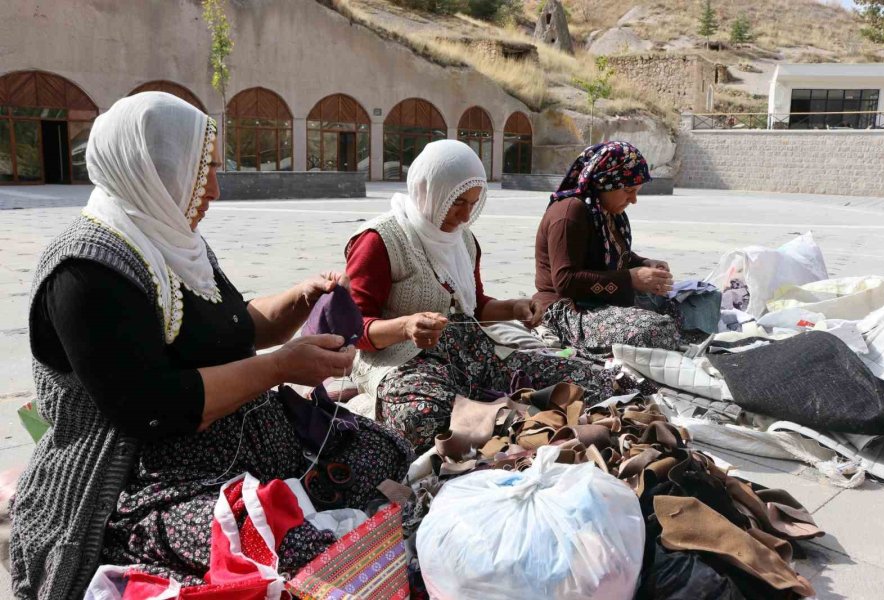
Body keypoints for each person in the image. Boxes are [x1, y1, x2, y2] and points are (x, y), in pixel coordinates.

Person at [10, 92, 412, 599]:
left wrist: (298, 299)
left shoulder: (173, 240)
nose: (215, 190)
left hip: (238, 441)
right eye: (204, 172)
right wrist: (278, 368)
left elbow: (230, 326)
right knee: (286, 549)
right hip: (145, 476)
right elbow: (155, 409)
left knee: (384, 452)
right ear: (155, 170)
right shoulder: (86, 273)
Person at [345, 139, 646, 453]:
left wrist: (515, 308)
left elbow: (474, 306)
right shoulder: (380, 240)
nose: (465, 216)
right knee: (425, 420)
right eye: (457, 202)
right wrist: (405, 327)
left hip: (473, 356)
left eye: (472, 204)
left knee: (589, 380)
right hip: (405, 363)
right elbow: (352, 329)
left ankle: (487, 411)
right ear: (428, 190)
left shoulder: (463, 240)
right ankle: (381, 403)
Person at [533, 141, 683, 356]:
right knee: (656, 330)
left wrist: (644, 264)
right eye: (628, 191)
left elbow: (609, 253)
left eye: (637, 191)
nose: (634, 200)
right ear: (604, 182)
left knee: (692, 305)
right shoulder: (570, 212)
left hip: (601, 302)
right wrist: (630, 279)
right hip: (568, 309)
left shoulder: (607, 212)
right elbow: (565, 281)